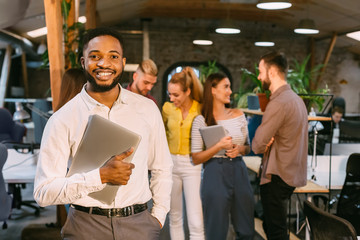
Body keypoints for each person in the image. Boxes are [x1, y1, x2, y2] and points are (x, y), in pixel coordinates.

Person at [33, 27, 173, 240]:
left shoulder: (147, 109)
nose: (104, 64)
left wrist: (158, 216)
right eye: (95, 56)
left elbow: (162, 167)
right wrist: (99, 176)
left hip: (140, 225)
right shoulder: (62, 119)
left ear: (123, 63)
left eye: (113, 56)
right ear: (83, 63)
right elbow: (43, 193)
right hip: (85, 227)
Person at [191, 73, 254, 240]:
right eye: (226, 87)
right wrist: (218, 146)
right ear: (213, 90)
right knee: (216, 231)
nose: (230, 91)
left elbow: (248, 147)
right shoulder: (201, 120)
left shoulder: (239, 115)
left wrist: (239, 149)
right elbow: (196, 158)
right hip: (214, 173)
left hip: (240, 170)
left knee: (246, 228)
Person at [252, 51, 308, 240]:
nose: (259, 77)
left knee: (276, 232)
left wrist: (265, 141)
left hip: (277, 175)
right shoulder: (296, 99)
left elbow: (257, 145)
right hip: (290, 173)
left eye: (261, 71)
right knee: (273, 226)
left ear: (273, 72)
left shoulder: (278, 103)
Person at [162, 67, 204, 240]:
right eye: (169, 94)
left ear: (187, 91)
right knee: (175, 216)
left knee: (195, 218)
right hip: (171, 164)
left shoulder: (200, 109)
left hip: (192, 165)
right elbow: (161, 135)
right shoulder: (167, 108)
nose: (172, 99)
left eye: (176, 95)